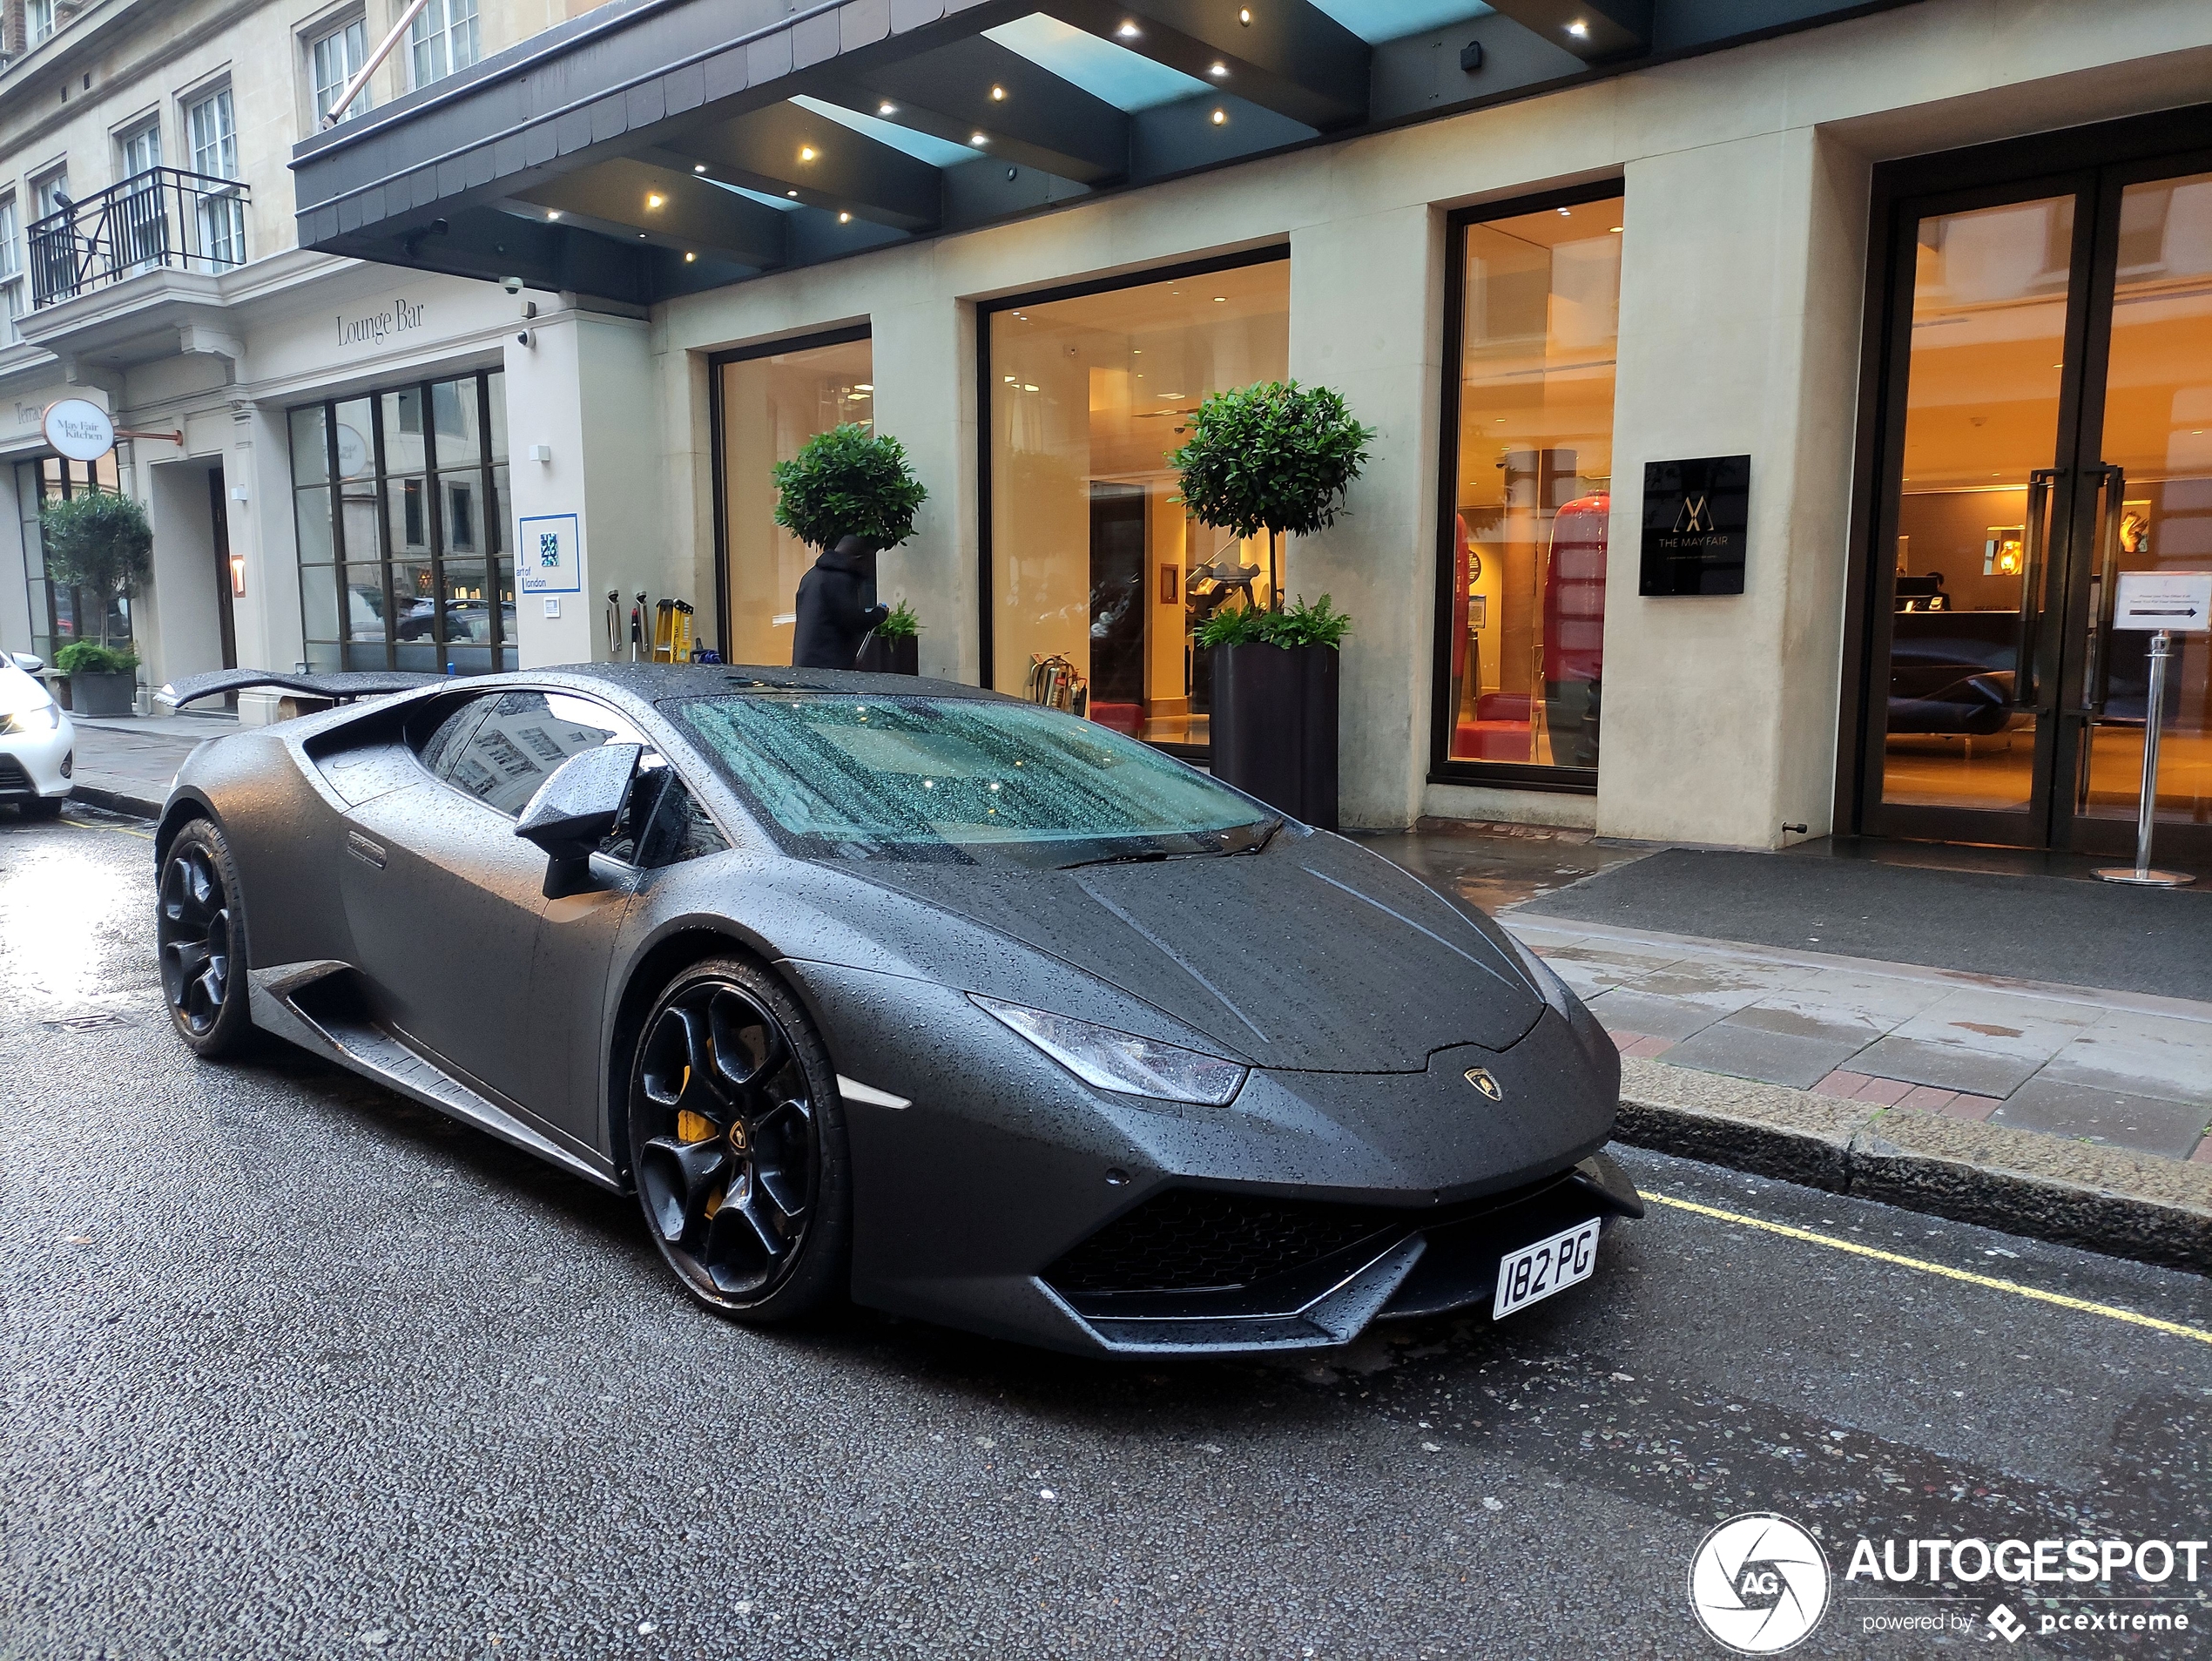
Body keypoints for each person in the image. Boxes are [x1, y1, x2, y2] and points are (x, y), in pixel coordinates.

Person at [791, 534, 887, 670]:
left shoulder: (811, 576)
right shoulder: (840, 580)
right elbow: (853, 622)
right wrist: (879, 614)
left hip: (805, 663)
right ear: (859, 559)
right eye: (869, 562)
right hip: (829, 668)